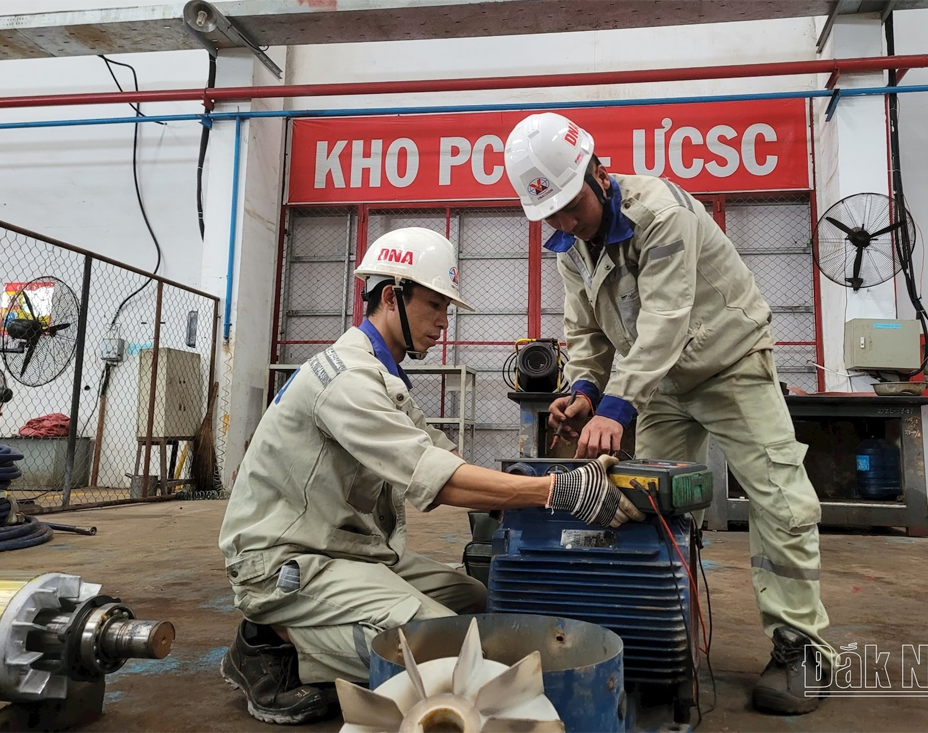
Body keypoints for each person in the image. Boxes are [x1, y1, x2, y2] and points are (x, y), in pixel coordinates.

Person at [218, 226, 643, 725]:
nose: (444, 321)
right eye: (435, 305)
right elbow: (437, 479)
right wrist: (556, 491)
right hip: (287, 561)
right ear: (391, 297)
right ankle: (270, 643)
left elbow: (442, 453)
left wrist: (526, 484)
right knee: (449, 655)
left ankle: (315, 638)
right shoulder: (348, 381)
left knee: (481, 603)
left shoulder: (384, 375)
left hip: (347, 549)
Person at [503, 113, 834, 715]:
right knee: (648, 505)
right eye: (550, 215)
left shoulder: (661, 214)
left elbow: (665, 320)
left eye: (571, 207)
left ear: (599, 174)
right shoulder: (570, 247)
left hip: (730, 364)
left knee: (781, 500)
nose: (565, 223)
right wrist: (584, 390)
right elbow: (587, 333)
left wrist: (616, 407)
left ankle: (802, 647)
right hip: (658, 384)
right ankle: (659, 634)